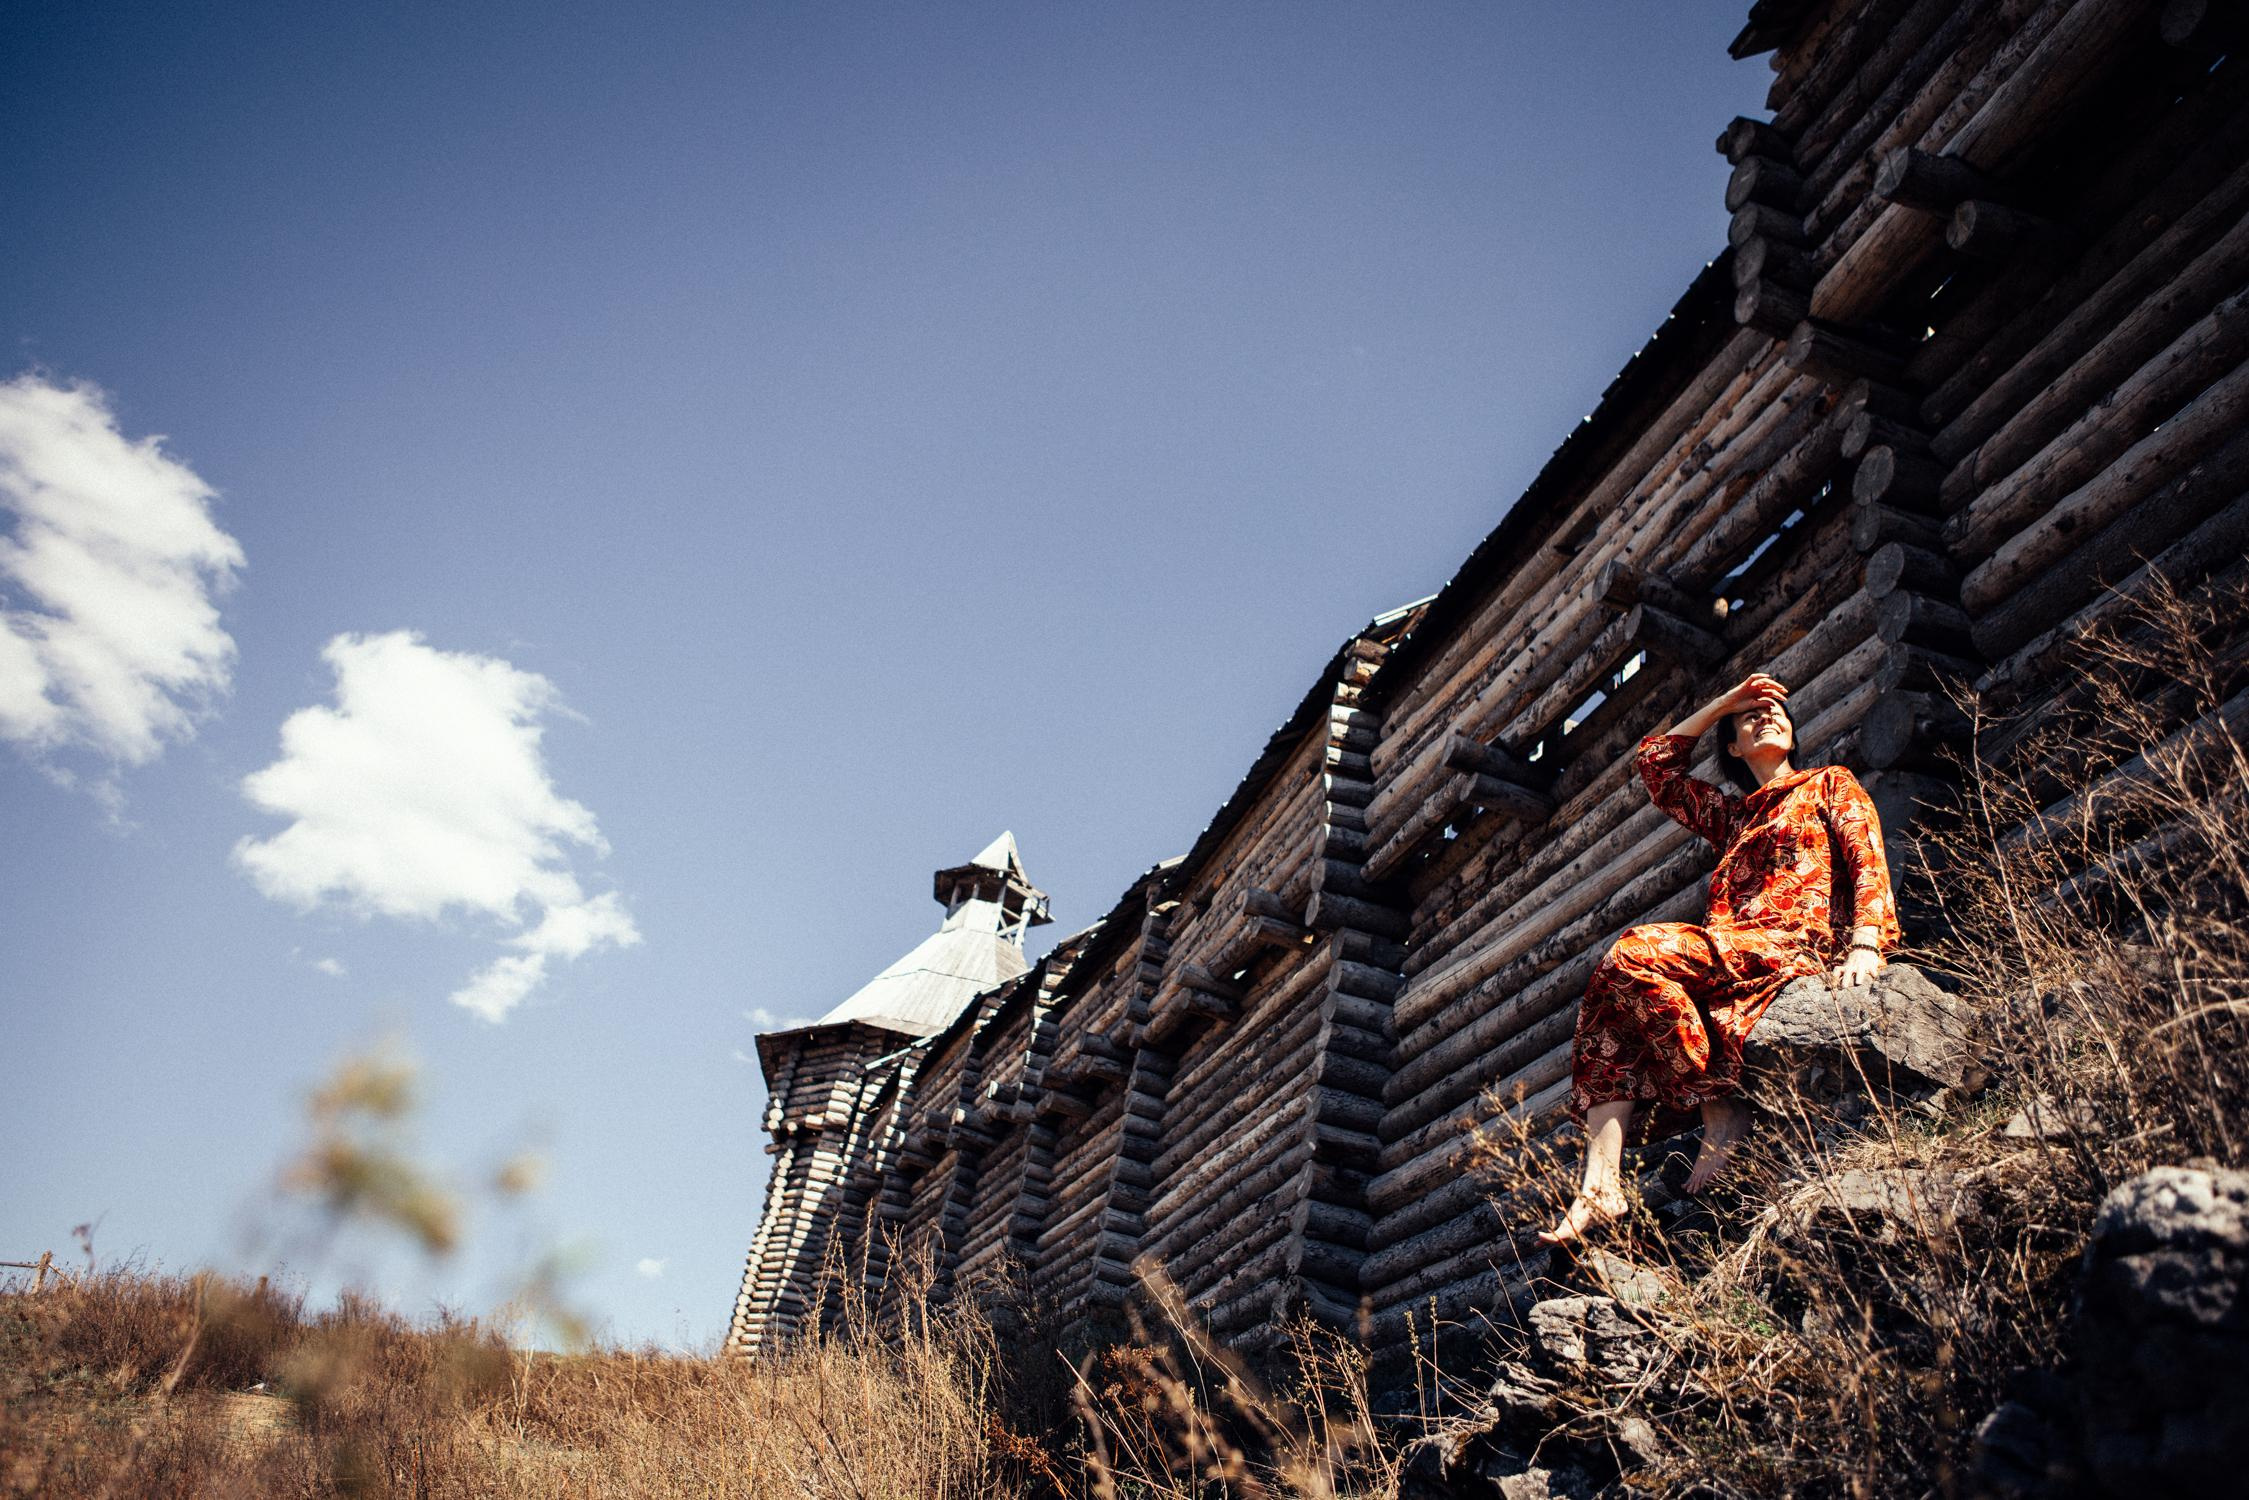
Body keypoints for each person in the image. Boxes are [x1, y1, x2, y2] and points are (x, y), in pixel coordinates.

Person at [1537, 672, 1900, 1247]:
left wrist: (1865, 943)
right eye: (1749, 719)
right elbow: (1657, 768)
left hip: (1790, 944)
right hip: (1732, 953)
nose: (1767, 716)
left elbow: (1866, 857)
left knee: (1631, 953)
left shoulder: (1828, 784)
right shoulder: (1734, 819)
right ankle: (1600, 1186)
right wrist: (1723, 702)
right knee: (1609, 1003)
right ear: (1732, 747)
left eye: (1777, 713)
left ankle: (1720, 1110)